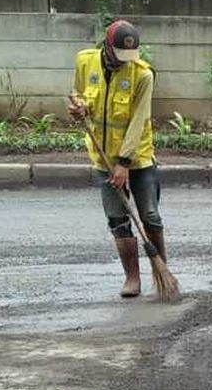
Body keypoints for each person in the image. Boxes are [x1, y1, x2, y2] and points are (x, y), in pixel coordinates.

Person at [67, 19, 164, 298]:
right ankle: (132, 278)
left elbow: (138, 120)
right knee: (118, 220)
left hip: (138, 158)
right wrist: (80, 108)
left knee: (150, 216)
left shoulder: (143, 75)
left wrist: (124, 162)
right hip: (103, 158)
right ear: (108, 47)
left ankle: (162, 270)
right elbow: (78, 93)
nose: (125, 62)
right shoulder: (85, 62)